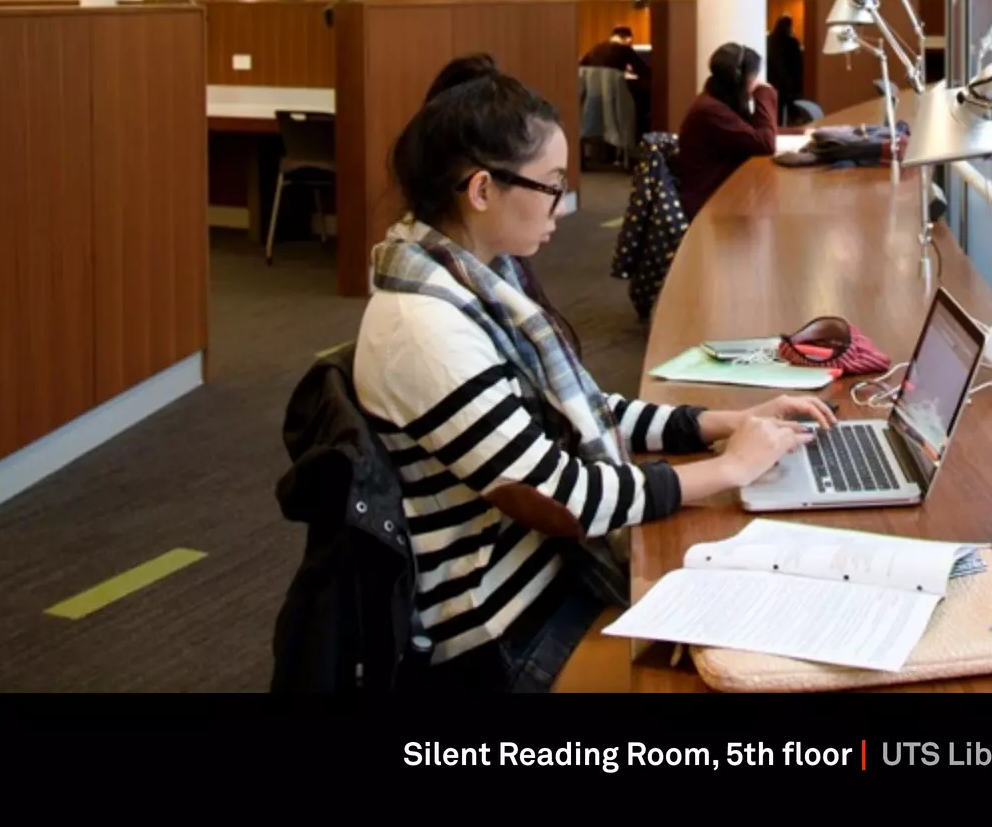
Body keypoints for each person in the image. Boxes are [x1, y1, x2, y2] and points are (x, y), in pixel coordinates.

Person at [351, 53, 831, 692]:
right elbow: (563, 498)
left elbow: (575, 410)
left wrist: (720, 423)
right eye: (550, 184)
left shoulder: (473, 277)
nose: (561, 205)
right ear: (483, 189)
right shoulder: (427, 329)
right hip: (504, 631)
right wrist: (727, 469)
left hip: (549, 581)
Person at [674, 42, 778, 221]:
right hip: (708, 202)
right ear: (740, 80)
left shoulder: (716, 102)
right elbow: (765, 143)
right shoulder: (710, 111)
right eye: (754, 77)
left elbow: (753, 132)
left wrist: (803, 131)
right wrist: (764, 93)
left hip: (721, 192)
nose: (757, 82)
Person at [580, 24, 653, 137]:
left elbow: (581, 68)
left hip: (591, 104)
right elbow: (645, 71)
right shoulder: (624, 49)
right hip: (614, 101)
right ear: (628, 39)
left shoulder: (596, 48)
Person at [767, 14, 805, 124]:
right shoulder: (792, 43)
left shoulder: (769, 41)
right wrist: (798, 89)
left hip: (772, 82)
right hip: (788, 85)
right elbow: (798, 67)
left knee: (775, 113)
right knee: (790, 113)